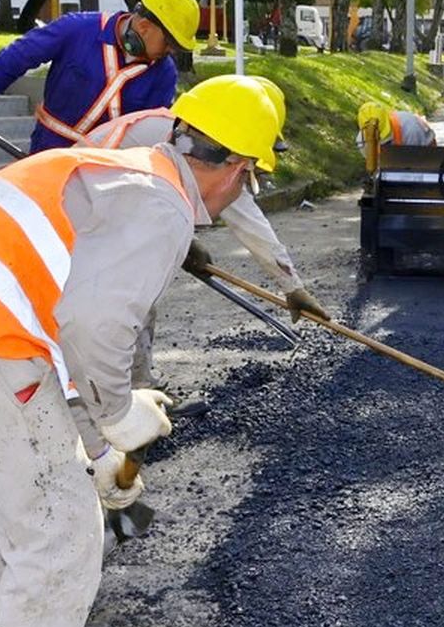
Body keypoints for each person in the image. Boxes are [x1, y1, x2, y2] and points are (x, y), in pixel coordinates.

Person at [0, 74, 281, 627]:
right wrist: (118, 419)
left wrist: (93, 440)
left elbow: (62, 312)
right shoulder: (160, 209)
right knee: (62, 537)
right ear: (239, 168)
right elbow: (94, 324)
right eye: (247, 177)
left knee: (14, 524)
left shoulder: (132, 163)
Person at [83, 76, 327, 392]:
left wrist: (292, 286)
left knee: (131, 298)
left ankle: (126, 392)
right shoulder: (188, 146)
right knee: (133, 299)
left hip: (102, 209)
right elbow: (245, 218)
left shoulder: (189, 134)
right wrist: (292, 287)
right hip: (90, 214)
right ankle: (125, 400)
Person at [0, 0, 200, 152]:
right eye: (169, 43)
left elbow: (149, 133)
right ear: (144, 27)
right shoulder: (77, 30)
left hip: (105, 172)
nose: (170, 51)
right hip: (49, 153)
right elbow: (18, 56)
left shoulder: (163, 74)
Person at [355, 101, 437, 170]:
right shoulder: (362, 143)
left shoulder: (411, 128)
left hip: (425, 150)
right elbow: (377, 169)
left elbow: (417, 163)